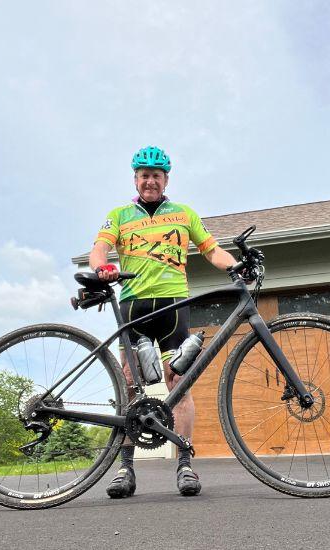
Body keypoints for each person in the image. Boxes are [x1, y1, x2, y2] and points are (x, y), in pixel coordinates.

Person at [89, 146, 236, 498]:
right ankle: (125, 469)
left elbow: (212, 249)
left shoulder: (184, 214)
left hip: (173, 307)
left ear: (166, 179)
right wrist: (100, 268)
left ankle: (185, 464)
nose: (149, 180)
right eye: (143, 175)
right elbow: (100, 247)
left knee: (179, 384)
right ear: (135, 179)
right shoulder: (119, 214)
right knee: (129, 386)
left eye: (156, 175)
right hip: (134, 308)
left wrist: (234, 265)